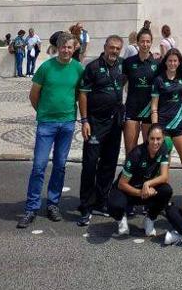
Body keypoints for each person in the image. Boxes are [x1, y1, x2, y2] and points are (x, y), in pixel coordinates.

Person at [17, 32, 84, 228]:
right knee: (39, 166)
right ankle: (31, 207)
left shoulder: (78, 68)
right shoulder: (46, 67)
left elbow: (81, 94)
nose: (66, 50)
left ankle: (53, 204)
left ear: (74, 49)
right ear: (58, 48)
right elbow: (33, 95)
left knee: (60, 165)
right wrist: (43, 112)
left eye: (70, 47)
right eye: (63, 47)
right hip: (47, 123)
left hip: (67, 123)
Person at [77, 35, 126, 226]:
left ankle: (101, 200)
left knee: (109, 163)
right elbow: (83, 94)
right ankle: (86, 205)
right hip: (96, 122)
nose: (114, 51)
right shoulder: (93, 67)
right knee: (90, 164)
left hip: (115, 123)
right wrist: (84, 120)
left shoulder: (122, 65)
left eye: (117, 48)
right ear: (105, 47)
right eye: (111, 47)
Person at [107, 124, 173, 237]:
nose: (155, 142)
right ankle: (121, 219)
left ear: (163, 139)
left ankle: (150, 219)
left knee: (166, 190)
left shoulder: (163, 149)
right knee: (114, 204)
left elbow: (164, 176)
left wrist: (148, 184)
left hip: (145, 188)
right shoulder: (136, 154)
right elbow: (122, 184)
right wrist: (140, 192)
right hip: (128, 190)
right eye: (152, 138)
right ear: (147, 138)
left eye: (158, 139)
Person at [151, 48, 182, 168]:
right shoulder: (158, 80)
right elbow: (154, 106)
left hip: (179, 127)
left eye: (175, 61)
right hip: (163, 127)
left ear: (179, 62)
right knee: (164, 166)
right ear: (165, 62)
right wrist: (155, 127)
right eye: (170, 61)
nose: (172, 63)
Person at [122, 29, 159, 155]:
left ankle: (146, 175)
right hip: (132, 110)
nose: (145, 44)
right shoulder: (128, 62)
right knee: (130, 151)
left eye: (148, 41)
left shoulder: (157, 63)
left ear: (151, 43)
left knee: (149, 151)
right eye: (142, 41)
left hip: (149, 111)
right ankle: (131, 175)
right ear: (137, 42)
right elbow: (120, 84)